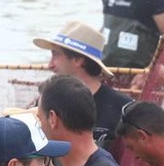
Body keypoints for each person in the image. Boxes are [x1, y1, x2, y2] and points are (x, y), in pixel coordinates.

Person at [35, 20, 130, 155]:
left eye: (56, 54)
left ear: (78, 59)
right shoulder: (45, 102)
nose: (49, 65)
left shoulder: (123, 109)